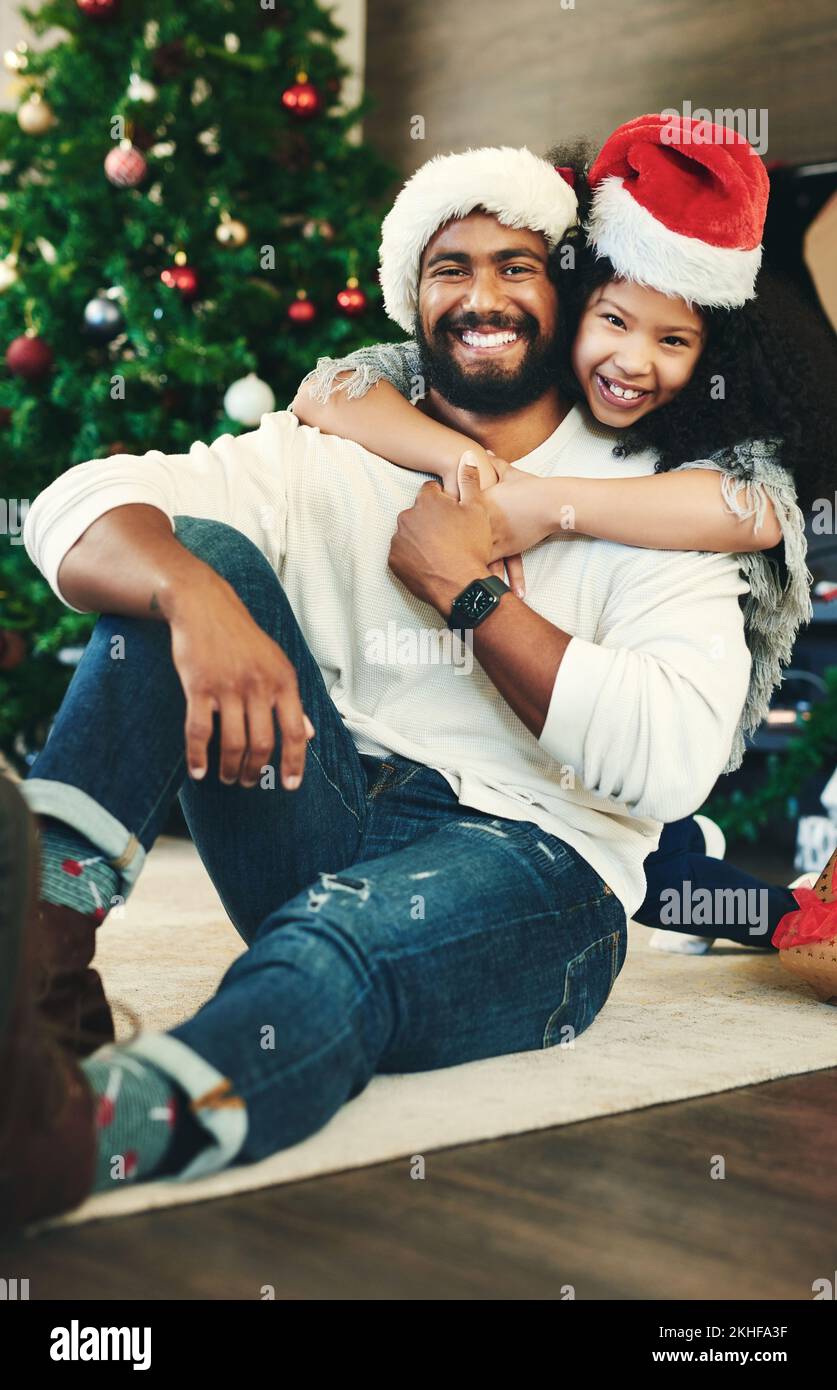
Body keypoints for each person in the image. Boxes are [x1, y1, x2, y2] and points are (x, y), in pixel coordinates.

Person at [0, 140, 763, 1231]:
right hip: (323, 800)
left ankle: (79, 1136)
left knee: (333, 942)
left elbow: (674, 763)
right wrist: (193, 595)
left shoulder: (648, 497)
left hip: (538, 865)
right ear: (415, 298)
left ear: (568, 290)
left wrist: (469, 593)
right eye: (451, 267)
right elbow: (80, 503)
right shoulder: (333, 447)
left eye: (517, 265)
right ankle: (36, 985)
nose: (483, 294)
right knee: (188, 555)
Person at [292, 113, 837, 958]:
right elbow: (327, 392)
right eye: (611, 322)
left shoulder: (700, 445)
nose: (631, 361)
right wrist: (468, 463)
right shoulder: (499, 370)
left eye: (673, 341)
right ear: (575, 302)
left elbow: (756, 511)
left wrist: (546, 504)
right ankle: (711, 880)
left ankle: (762, 911)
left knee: (630, 849)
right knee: (638, 851)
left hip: (610, 726)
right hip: (507, 741)